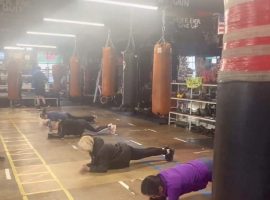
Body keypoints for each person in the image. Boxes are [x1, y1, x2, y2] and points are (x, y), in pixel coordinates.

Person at [78, 136, 174, 173]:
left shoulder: (101, 150)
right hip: (122, 150)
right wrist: (89, 165)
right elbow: (96, 161)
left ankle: (167, 151)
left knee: (144, 152)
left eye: (84, 149)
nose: (85, 151)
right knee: (144, 152)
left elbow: (103, 168)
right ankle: (164, 150)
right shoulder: (95, 147)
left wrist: (89, 169)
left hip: (124, 154)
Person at [141, 158, 212, 200]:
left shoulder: (173, 187)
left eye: (153, 195)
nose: (153, 197)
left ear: (160, 188)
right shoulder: (160, 178)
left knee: (221, 192)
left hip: (208, 169)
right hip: (200, 162)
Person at [47, 119, 116, 139]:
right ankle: (108, 127)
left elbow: (61, 135)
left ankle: (109, 126)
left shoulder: (63, 124)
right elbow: (60, 133)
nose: (54, 129)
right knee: (95, 130)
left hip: (82, 125)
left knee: (95, 132)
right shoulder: (61, 123)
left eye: (53, 127)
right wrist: (53, 134)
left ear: (55, 124)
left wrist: (52, 136)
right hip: (81, 124)